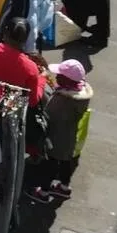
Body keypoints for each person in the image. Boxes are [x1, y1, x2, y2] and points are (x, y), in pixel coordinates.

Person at [41, 60, 93, 200]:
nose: (56, 76)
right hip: (69, 136)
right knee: (66, 162)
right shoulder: (80, 95)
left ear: (66, 79)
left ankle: (44, 192)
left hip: (56, 137)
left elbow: (49, 114)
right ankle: (64, 187)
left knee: (50, 165)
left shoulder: (63, 99)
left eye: (59, 75)